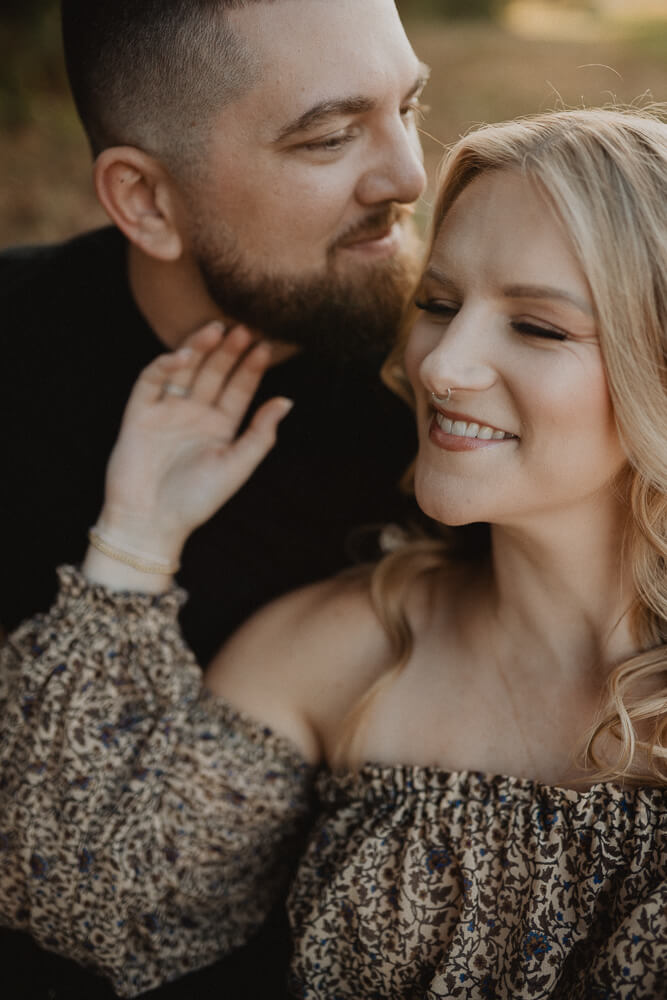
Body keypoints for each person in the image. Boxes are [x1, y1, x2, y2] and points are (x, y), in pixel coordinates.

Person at [2, 105, 666, 998]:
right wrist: (134, 536)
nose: (440, 364)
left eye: (537, 327)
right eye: (437, 304)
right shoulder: (350, 645)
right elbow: (93, 902)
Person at [0, 0, 429, 995]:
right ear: (146, 200)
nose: (408, 174)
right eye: (327, 136)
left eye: (408, 106)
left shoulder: (446, 398)